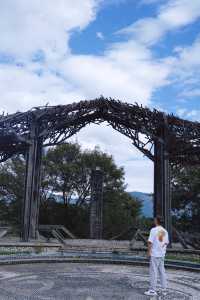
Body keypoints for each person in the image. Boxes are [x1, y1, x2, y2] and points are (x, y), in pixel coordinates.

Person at [144, 216, 169, 297]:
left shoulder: (153, 230)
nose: (153, 221)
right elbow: (166, 243)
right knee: (162, 271)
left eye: (154, 220)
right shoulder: (165, 231)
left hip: (155, 254)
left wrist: (148, 252)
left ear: (156, 221)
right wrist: (162, 249)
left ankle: (152, 290)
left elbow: (150, 242)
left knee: (153, 272)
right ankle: (164, 289)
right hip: (162, 254)